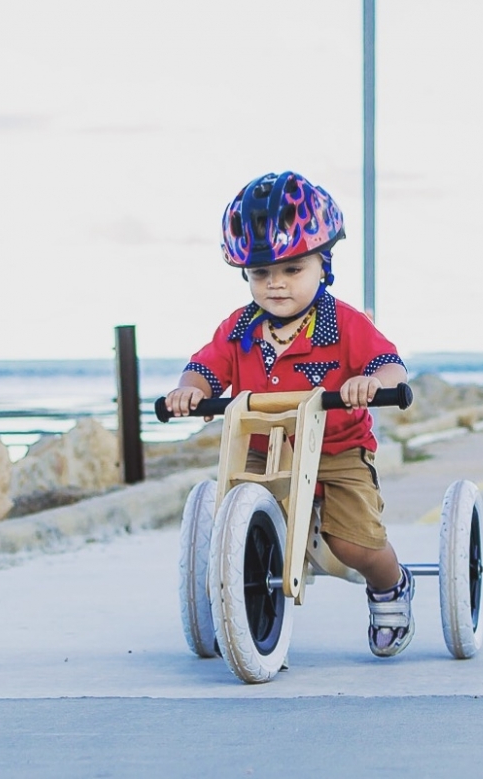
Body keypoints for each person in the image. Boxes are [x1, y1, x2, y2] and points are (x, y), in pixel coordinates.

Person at [165, 170, 414, 658]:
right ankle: (239, 608)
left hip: (336, 453)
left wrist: (372, 384)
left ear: (323, 265)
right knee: (244, 537)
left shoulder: (344, 323)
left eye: (292, 270)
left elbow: (391, 369)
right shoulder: (239, 329)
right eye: (262, 274)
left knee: (354, 546)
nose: (275, 284)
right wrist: (188, 393)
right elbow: (204, 371)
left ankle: (390, 586)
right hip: (263, 458)